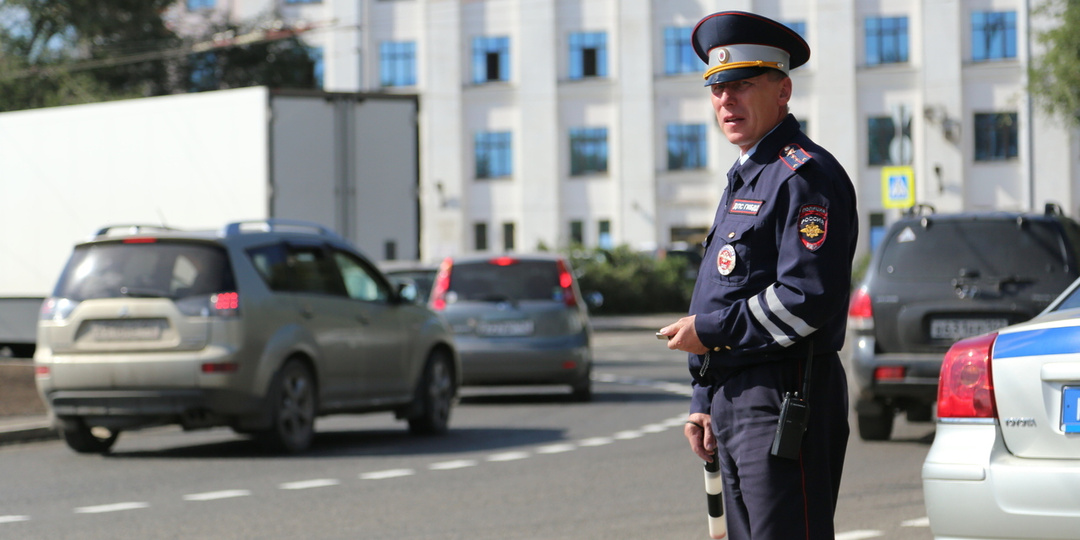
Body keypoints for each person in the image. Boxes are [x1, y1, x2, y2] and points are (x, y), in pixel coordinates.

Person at [658, 11, 858, 540]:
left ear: (783, 90)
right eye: (717, 89)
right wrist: (704, 400)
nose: (727, 100)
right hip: (735, 399)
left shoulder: (803, 176)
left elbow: (805, 297)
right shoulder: (749, 175)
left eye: (743, 85)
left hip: (784, 397)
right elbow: (724, 287)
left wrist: (710, 332)